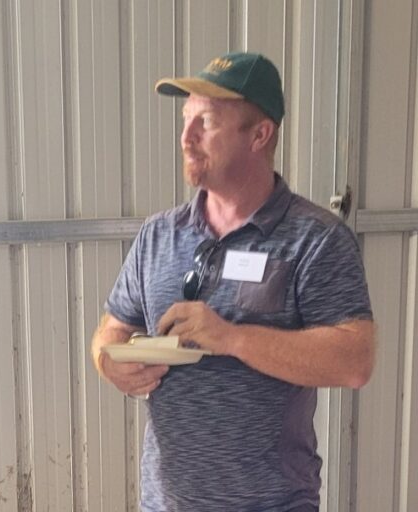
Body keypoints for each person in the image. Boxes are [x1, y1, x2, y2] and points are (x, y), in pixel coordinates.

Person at [91, 52, 374, 512]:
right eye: (186, 121)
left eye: (205, 122)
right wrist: (110, 364)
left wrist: (233, 338)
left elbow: (355, 359)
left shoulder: (316, 239)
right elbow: (111, 330)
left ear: (259, 134)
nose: (186, 138)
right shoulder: (158, 235)